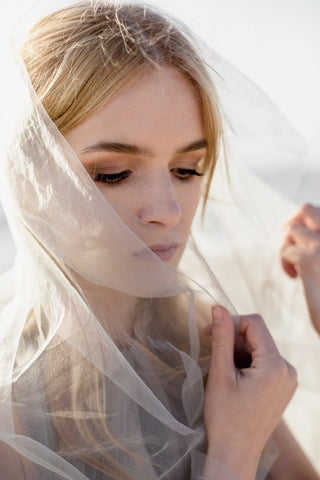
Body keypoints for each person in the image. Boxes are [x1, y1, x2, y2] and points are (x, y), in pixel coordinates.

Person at [0, 1, 318, 479]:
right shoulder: (12, 408)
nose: (169, 211)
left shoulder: (217, 356)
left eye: (187, 169)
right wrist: (233, 454)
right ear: (25, 177)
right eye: (114, 173)